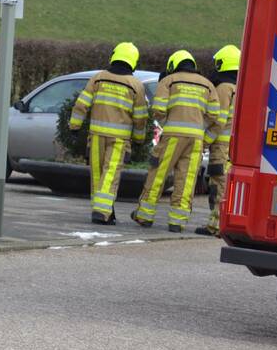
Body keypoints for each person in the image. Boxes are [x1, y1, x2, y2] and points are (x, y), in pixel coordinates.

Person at [132, 50, 221, 233]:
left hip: (172, 136)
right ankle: (177, 222)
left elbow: (158, 109)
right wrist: (199, 126)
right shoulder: (207, 85)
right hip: (196, 139)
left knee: (158, 174)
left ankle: (144, 215)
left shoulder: (169, 81)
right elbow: (214, 114)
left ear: (173, 65)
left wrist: (168, 124)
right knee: (186, 179)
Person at [68, 42, 149, 225]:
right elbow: (140, 117)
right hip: (119, 139)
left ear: (114, 56)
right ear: (133, 61)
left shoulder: (98, 78)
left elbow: (81, 104)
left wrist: (74, 127)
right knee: (110, 174)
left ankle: (103, 210)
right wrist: (139, 139)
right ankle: (103, 211)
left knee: (97, 174)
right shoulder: (135, 85)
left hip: (96, 135)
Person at [195, 45, 240, 236]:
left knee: (219, 183)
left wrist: (204, 141)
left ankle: (216, 225)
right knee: (227, 184)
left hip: (221, 145)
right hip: (234, 144)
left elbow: (218, 120)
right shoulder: (240, 87)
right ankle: (222, 224)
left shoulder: (224, 88)